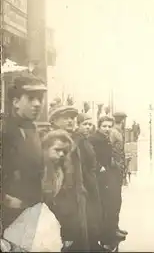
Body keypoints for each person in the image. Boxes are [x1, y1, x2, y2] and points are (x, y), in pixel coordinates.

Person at [1, 74, 47, 234]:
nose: (37, 104)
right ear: (15, 102)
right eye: (31, 98)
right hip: (8, 214)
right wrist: (5, 199)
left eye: (40, 99)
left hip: (32, 209)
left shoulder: (33, 130)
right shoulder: (4, 130)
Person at [48, 101, 88, 252]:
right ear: (54, 121)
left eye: (72, 117)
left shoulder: (72, 139)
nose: (71, 120)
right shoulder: (54, 142)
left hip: (76, 198)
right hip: (64, 202)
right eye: (65, 117)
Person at [89, 116, 126, 250]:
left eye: (109, 126)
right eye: (104, 126)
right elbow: (92, 157)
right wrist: (100, 167)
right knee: (105, 206)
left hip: (107, 173)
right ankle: (105, 237)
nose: (107, 129)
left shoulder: (105, 138)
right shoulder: (94, 139)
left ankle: (110, 233)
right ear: (99, 126)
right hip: (100, 176)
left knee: (112, 203)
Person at [74, 113, 103, 251]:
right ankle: (91, 245)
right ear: (78, 125)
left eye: (89, 125)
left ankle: (93, 243)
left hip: (91, 179)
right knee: (89, 215)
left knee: (93, 214)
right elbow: (81, 164)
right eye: (84, 124)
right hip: (86, 181)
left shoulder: (85, 140)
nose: (88, 127)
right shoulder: (78, 141)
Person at [109, 112, 129, 233]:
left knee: (117, 199)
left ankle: (115, 227)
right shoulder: (114, 132)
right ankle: (112, 228)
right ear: (123, 120)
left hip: (118, 167)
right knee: (115, 200)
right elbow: (110, 150)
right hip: (114, 169)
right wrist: (116, 165)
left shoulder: (117, 131)